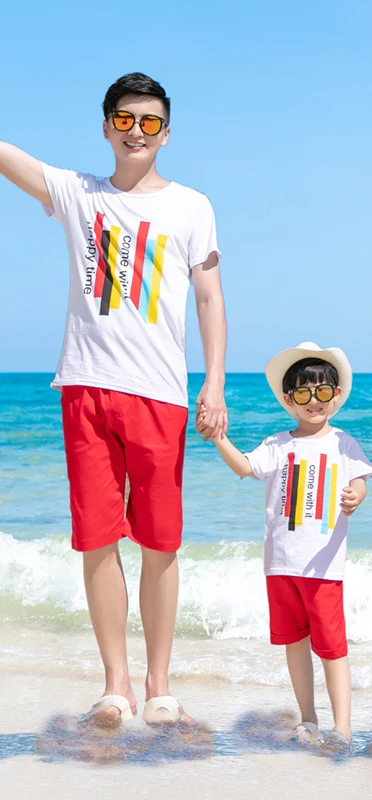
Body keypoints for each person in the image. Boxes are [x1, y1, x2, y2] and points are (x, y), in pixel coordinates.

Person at [0, 72, 228, 726]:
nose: (136, 131)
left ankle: (159, 684)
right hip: (86, 390)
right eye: (124, 120)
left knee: (160, 545)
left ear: (165, 133)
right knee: (97, 541)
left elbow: (210, 298)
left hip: (160, 395)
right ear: (105, 126)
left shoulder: (191, 206)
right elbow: (8, 156)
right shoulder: (78, 195)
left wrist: (213, 381)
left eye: (150, 122)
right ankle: (116, 684)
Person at [205, 343, 372, 746]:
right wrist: (219, 438)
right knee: (295, 643)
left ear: (336, 396)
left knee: (332, 648)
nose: (313, 401)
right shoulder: (278, 444)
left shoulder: (343, 443)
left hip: (322, 568)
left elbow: (360, 480)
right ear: (288, 399)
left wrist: (356, 495)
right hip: (281, 564)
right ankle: (308, 718)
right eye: (303, 393)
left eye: (322, 392)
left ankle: (343, 726)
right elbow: (246, 467)